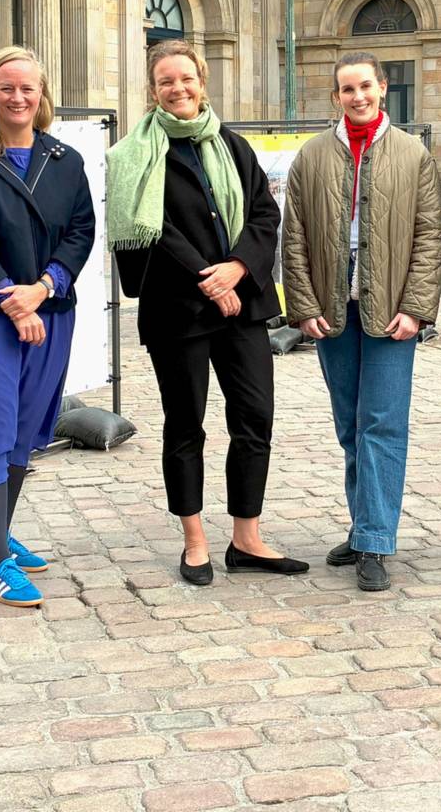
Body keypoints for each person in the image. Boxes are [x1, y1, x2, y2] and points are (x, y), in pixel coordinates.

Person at [108, 39, 306, 586]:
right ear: (153, 90)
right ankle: (195, 540)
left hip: (243, 304)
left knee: (254, 418)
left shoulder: (232, 145)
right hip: (178, 310)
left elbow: (265, 214)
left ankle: (246, 538)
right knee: (184, 423)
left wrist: (238, 268)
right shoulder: (136, 155)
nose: (178, 88)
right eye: (166, 81)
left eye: (186, 78)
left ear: (202, 81)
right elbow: (154, 229)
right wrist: (209, 278)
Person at [0, 46, 96, 608]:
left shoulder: (64, 160)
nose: (18, 97)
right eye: (7, 87)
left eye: (28, 88)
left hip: (50, 313)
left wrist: (45, 288)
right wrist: (14, 301)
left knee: (24, 429)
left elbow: (81, 230)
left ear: (42, 94)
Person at [281, 52, 441, 591]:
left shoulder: (412, 154)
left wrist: (417, 307)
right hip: (333, 308)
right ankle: (363, 525)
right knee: (350, 425)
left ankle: (375, 541)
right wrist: (304, 306)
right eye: (347, 89)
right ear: (336, 96)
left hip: (392, 307)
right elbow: (294, 236)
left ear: (383, 88)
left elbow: (429, 235)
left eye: (365, 86)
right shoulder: (311, 156)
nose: (358, 97)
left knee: (383, 423)